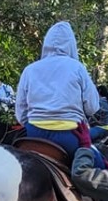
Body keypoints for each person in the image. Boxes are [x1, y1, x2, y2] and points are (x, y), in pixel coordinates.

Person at [13, 21, 100, 162]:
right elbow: (92, 107)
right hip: (70, 136)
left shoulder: (29, 70)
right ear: (72, 45)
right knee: (100, 164)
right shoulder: (77, 68)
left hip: (34, 134)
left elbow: (21, 112)